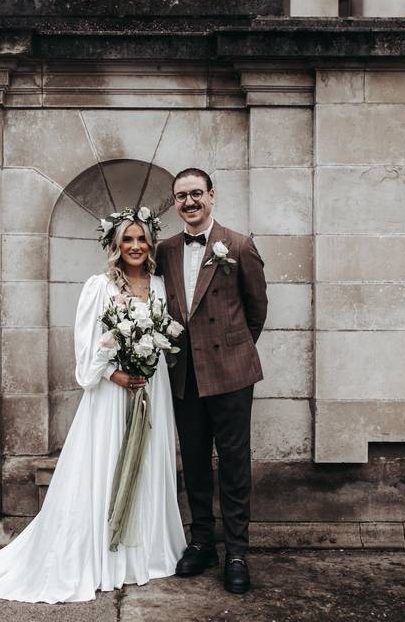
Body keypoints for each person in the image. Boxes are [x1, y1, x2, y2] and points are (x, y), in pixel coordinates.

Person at [0, 210, 186, 603]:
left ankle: (144, 552)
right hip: (113, 394)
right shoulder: (99, 287)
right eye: (127, 239)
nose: (135, 246)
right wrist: (115, 375)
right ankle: (103, 551)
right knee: (108, 464)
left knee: (147, 465)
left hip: (151, 392)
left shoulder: (161, 286)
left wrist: (146, 363)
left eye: (141, 239)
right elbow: (87, 347)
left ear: (151, 244)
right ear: (115, 244)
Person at [156, 168, 268, 595]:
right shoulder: (166, 249)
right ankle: (202, 541)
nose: (189, 202)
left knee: (235, 465)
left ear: (212, 196)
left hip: (232, 374)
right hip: (184, 375)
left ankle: (237, 552)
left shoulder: (238, 245)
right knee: (196, 462)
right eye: (182, 196)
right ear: (175, 202)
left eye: (196, 193)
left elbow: (256, 309)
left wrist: (231, 350)